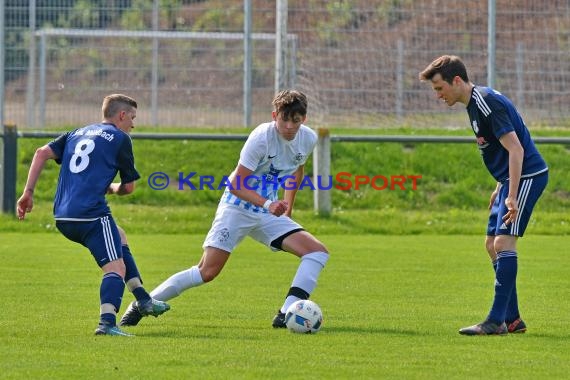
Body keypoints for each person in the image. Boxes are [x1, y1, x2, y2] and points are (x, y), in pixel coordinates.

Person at [120, 89, 329, 328]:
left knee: (316, 252)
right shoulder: (261, 137)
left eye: (296, 120)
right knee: (206, 272)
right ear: (274, 115)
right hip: (237, 208)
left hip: (268, 211)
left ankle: (286, 314)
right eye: (284, 119)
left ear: (305, 119)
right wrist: (270, 204)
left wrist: (287, 206)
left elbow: (297, 170)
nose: (290, 126)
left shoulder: (308, 138)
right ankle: (141, 304)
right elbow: (237, 184)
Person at [16, 93, 170, 336]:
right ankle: (107, 323)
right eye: (132, 117)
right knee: (115, 270)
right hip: (91, 215)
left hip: (63, 216)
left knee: (119, 237)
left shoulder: (76, 132)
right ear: (121, 115)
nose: (133, 123)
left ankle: (143, 300)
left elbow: (40, 153)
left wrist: (28, 193)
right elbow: (129, 188)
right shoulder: (120, 139)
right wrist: (114, 188)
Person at [419, 55, 548, 335]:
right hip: (510, 180)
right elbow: (503, 150)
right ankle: (512, 319)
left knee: (504, 243)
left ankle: (496, 320)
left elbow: (517, 149)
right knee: (491, 245)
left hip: (527, 176)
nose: (438, 96)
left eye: (439, 88)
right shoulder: (474, 104)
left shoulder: (486, 102)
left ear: (456, 81)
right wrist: (500, 186)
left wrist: (511, 194)